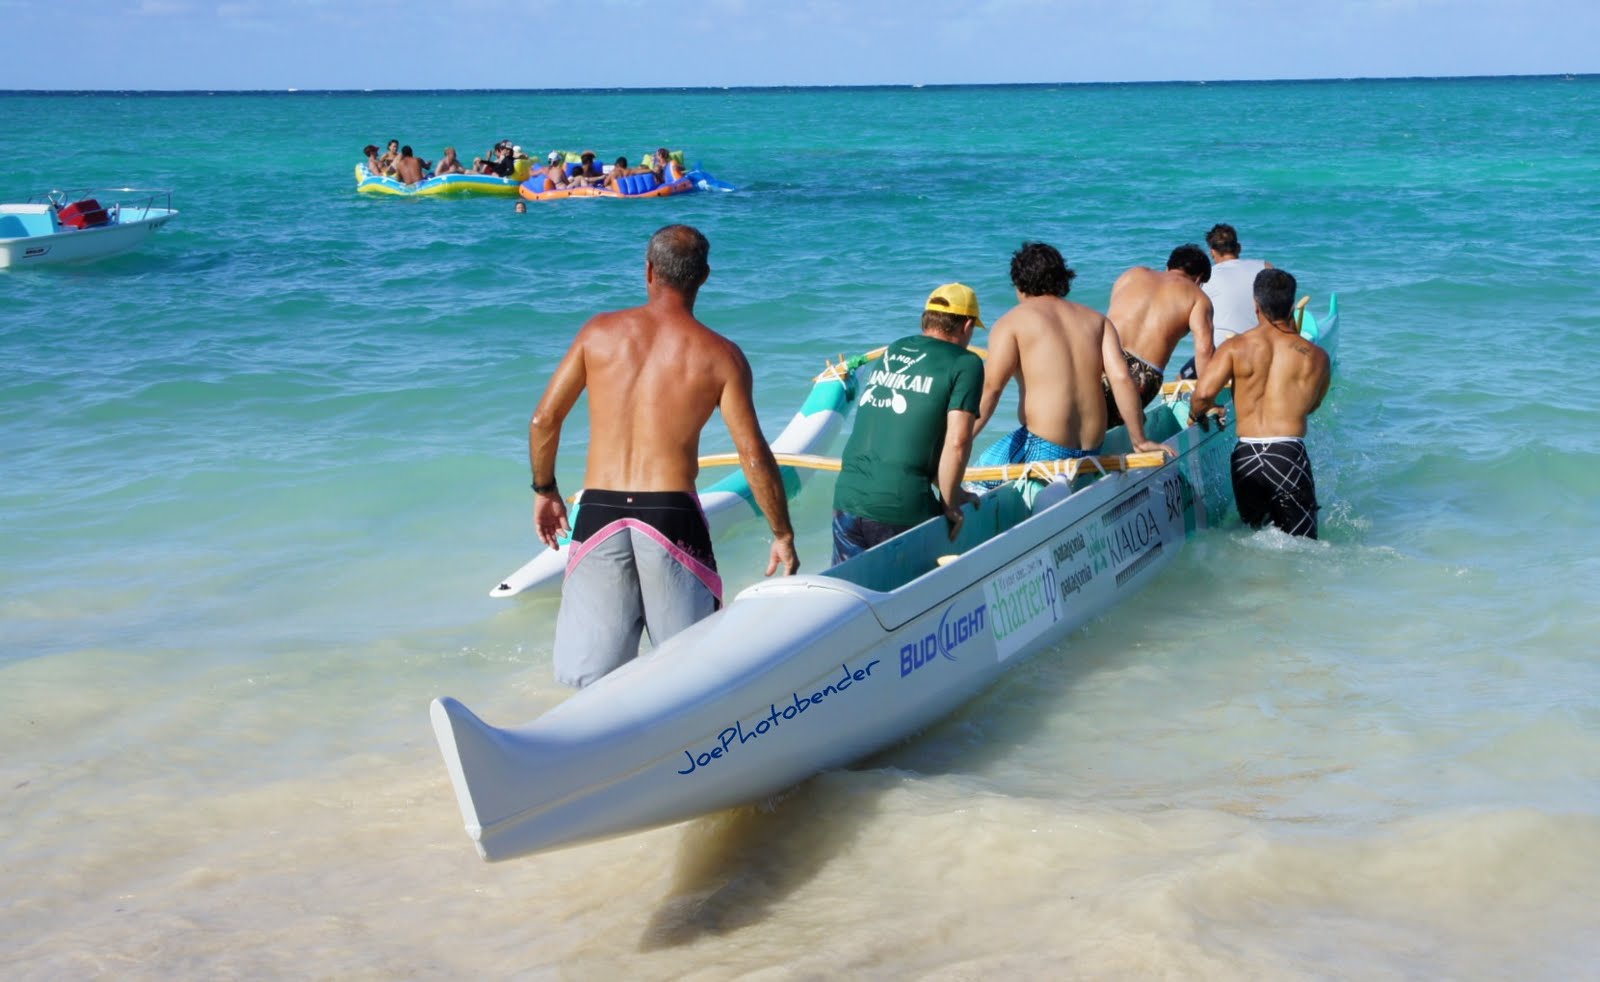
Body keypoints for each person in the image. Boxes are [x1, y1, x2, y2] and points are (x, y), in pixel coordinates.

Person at [529, 225, 799, 687]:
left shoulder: (598, 333)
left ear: (649, 271)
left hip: (597, 509)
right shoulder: (721, 356)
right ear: (705, 277)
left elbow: (543, 421)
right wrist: (782, 533)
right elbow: (752, 454)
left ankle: (596, 748)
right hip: (670, 514)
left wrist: (546, 490)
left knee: (591, 676)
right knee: (689, 674)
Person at [974, 242, 1173, 470]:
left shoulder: (1011, 323)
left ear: (1019, 284)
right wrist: (1140, 440)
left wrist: (959, 442)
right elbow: (1122, 380)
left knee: (979, 473)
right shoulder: (1098, 321)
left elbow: (991, 389)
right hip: (1092, 447)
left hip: (1044, 446)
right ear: (1062, 279)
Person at [830, 284, 986, 564]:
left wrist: (952, 488)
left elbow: (908, 438)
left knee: (855, 597)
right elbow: (958, 441)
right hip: (899, 509)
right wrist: (951, 504)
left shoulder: (896, 349)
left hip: (847, 500)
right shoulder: (966, 363)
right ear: (967, 325)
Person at [1188, 268, 1331, 539]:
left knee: (1256, 539)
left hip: (1246, 458)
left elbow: (1203, 395)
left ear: (1255, 304)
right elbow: (1312, 405)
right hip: (1288, 456)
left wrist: (1198, 415)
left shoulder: (1235, 348)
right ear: (1292, 304)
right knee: (1302, 547)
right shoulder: (1317, 357)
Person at [1101, 244, 1216, 427]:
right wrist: (1207, 400)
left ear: (1168, 267)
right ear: (1199, 279)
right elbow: (1204, 350)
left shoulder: (1132, 274)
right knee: (1113, 424)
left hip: (1102, 357)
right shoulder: (1198, 297)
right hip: (1141, 375)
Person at [1178, 223, 1274, 378]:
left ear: (1212, 252)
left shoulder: (1203, 280)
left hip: (1221, 356)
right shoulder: (1266, 267)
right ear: (1239, 248)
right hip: (1262, 349)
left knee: (1181, 377)